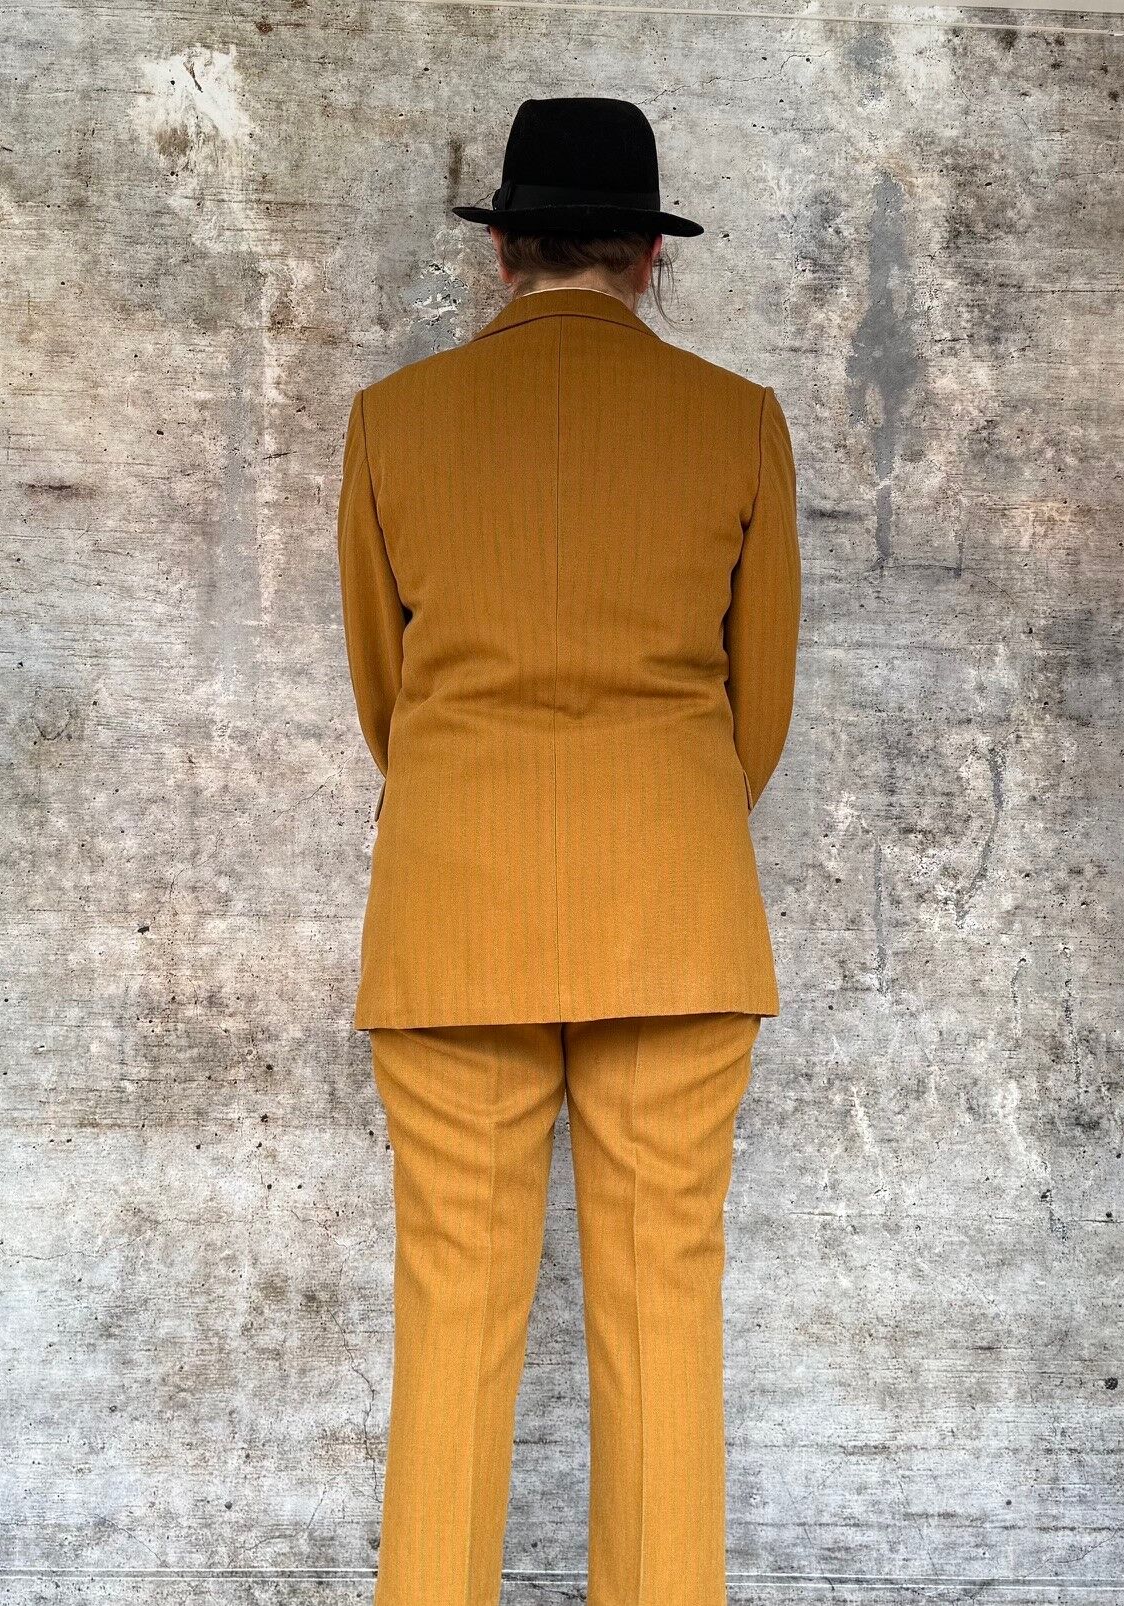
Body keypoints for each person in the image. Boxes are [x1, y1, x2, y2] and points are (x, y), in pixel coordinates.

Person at [335, 96, 800, 1606]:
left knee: (450, 1332)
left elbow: (384, 694)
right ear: (651, 257)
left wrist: (474, 800)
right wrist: (661, 815)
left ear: (502, 255)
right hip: (674, 912)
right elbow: (759, 707)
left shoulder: (394, 420)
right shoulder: (736, 420)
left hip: (453, 915)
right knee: (663, 1328)